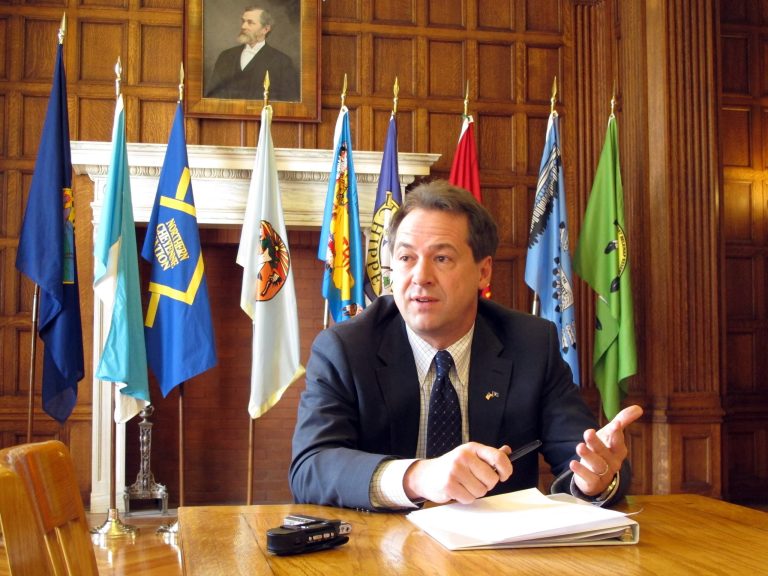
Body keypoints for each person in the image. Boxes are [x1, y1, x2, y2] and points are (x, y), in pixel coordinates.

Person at [290, 179, 643, 511]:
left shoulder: (532, 345)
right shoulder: (345, 348)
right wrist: (418, 476)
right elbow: (311, 466)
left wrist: (597, 478)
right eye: (406, 258)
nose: (420, 277)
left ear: (484, 272)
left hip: (497, 555)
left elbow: (583, 459)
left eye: (441, 258)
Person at [206, 4, 299, 101]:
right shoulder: (225, 57)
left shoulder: (282, 62)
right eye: (243, 21)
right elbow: (211, 98)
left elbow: (289, 103)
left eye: (250, 22)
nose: (243, 26)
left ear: (265, 29)